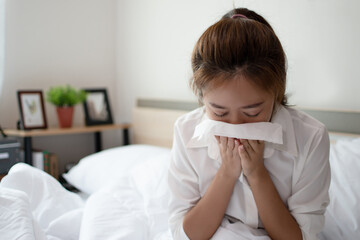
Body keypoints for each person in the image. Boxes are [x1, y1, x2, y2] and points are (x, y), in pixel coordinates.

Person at [168, 8, 330, 240]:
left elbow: (299, 237)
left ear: (276, 92)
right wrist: (226, 173)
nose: (236, 125)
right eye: (219, 112)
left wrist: (257, 173)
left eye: (252, 112)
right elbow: (185, 234)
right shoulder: (185, 131)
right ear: (202, 97)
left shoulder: (310, 137)